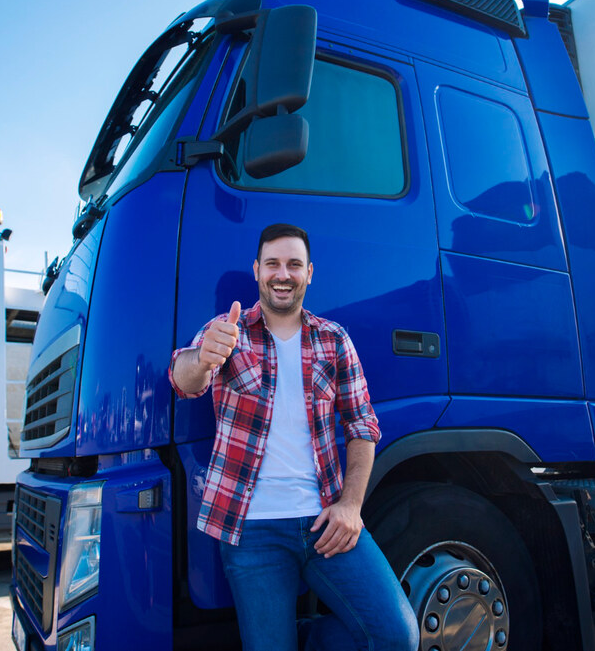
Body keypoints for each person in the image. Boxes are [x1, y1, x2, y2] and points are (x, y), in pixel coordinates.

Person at [169, 223, 418, 651]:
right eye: (273, 264)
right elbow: (184, 380)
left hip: (326, 523)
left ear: (309, 273)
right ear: (257, 270)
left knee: (397, 636)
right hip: (251, 531)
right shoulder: (227, 331)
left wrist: (352, 506)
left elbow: (362, 425)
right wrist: (202, 357)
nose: (282, 274)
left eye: (293, 265)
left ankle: (298, 638)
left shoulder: (334, 339)